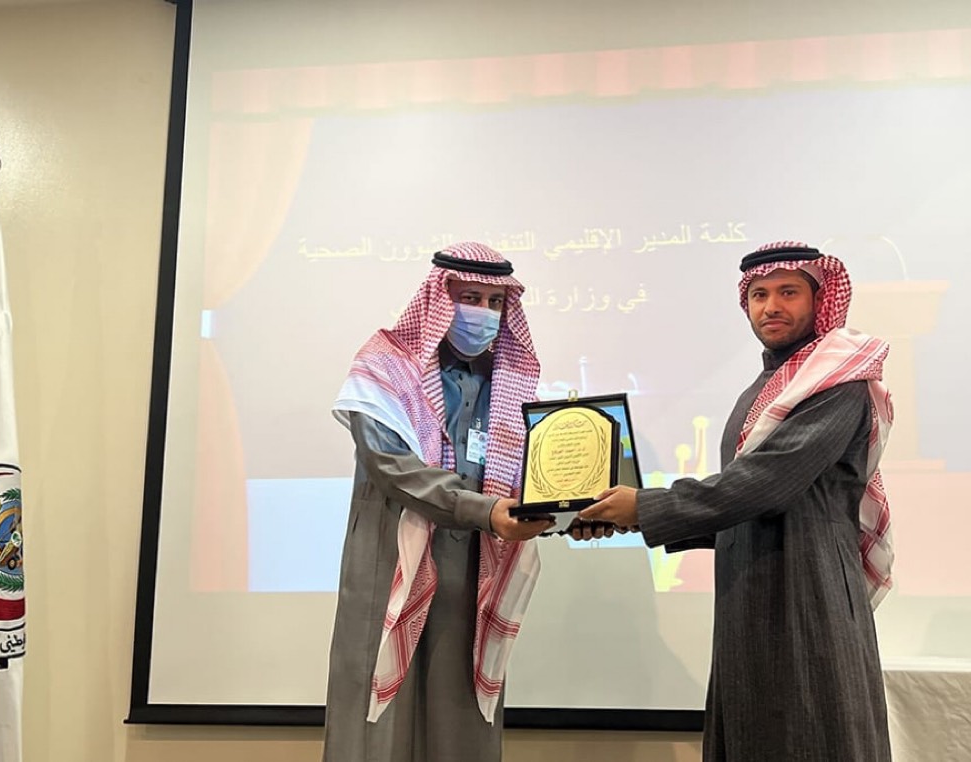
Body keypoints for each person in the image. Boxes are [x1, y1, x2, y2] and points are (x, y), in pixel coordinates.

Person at [580, 241, 895, 761]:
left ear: (820, 299)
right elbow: (744, 500)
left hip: (809, 590)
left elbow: (764, 484)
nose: (771, 306)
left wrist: (647, 508)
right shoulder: (765, 388)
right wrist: (625, 515)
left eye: (788, 292)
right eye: (759, 295)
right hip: (749, 590)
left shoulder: (837, 383)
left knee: (813, 731)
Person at [323, 242, 552, 762]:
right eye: (470, 298)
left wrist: (568, 508)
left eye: (496, 303)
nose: (484, 313)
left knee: (461, 716)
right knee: (378, 720)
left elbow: (526, 476)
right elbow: (392, 468)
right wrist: (483, 510)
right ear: (439, 297)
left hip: (472, 568)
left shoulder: (506, 382)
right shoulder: (385, 369)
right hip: (390, 560)